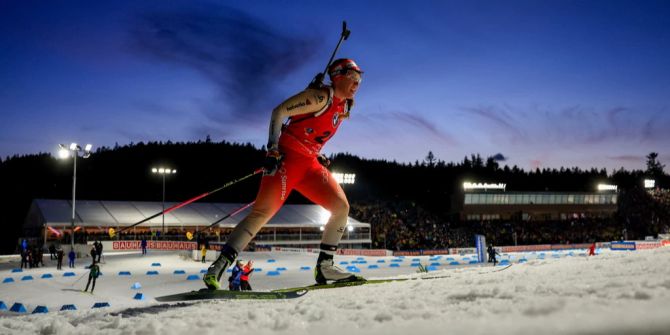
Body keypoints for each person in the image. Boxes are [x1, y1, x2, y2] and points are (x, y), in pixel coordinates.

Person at [204, 58, 364, 290]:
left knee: (341, 208)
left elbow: (310, 131)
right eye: (353, 77)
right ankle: (217, 267)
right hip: (287, 161)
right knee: (261, 214)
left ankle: (325, 267)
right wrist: (272, 150)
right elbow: (279, 112)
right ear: (338, 75)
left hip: (309, 163)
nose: (357, 83)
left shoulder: (345, 105)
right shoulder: (320, 97)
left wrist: (316, 154)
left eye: (360, 78)